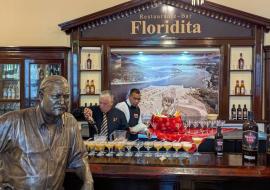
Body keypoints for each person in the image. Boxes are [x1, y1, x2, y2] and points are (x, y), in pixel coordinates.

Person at [0, 75, 93, 190]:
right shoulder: (13, 122)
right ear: (41, 96)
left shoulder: (70, 123)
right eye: (56, 96)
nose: (62, 101)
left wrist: (88, 181)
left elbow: (79, 158)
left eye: (66, 96)